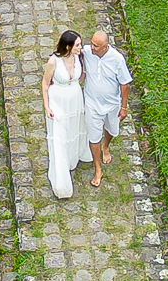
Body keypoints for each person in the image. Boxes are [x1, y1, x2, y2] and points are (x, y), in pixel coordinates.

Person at [42, 30, 89, 199]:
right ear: (68, 46)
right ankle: (61, 179)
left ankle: (73, 157)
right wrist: (47, 107)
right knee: (59, 135)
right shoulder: (54, 61)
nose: (80, 47)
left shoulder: (78, 57)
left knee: (73, 129)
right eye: (77, 45)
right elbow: (45, 83)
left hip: (75, 100)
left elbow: (81, 75)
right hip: (58, 102)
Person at [83, 30, 132, 186]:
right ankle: (98, 168)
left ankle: (106, 146)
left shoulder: (117, 59)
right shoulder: (87, 51)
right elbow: (71, 52)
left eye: (96, 46)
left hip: (111, 104)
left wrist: (123, 107)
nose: (92, 47)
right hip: (91, 102)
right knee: (94, 137)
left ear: (105, 46)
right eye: (91, 43)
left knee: (112, 129)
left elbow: (124, 84)